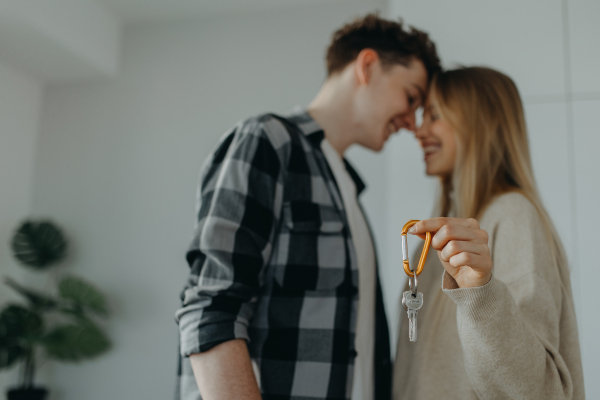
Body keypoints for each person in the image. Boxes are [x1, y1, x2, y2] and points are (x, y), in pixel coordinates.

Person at [175, 14, 441, 400]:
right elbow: (212, 307)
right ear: (367, 66)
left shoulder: (347, 186)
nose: (411, 122)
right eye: (411, 96)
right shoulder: (268, 141)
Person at [393, 67, 585, 399]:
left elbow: (537, 389)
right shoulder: (433, 242)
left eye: (434, 116)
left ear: (477, 125)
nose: (419, 130)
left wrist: (481, 294)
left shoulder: (512, 217)